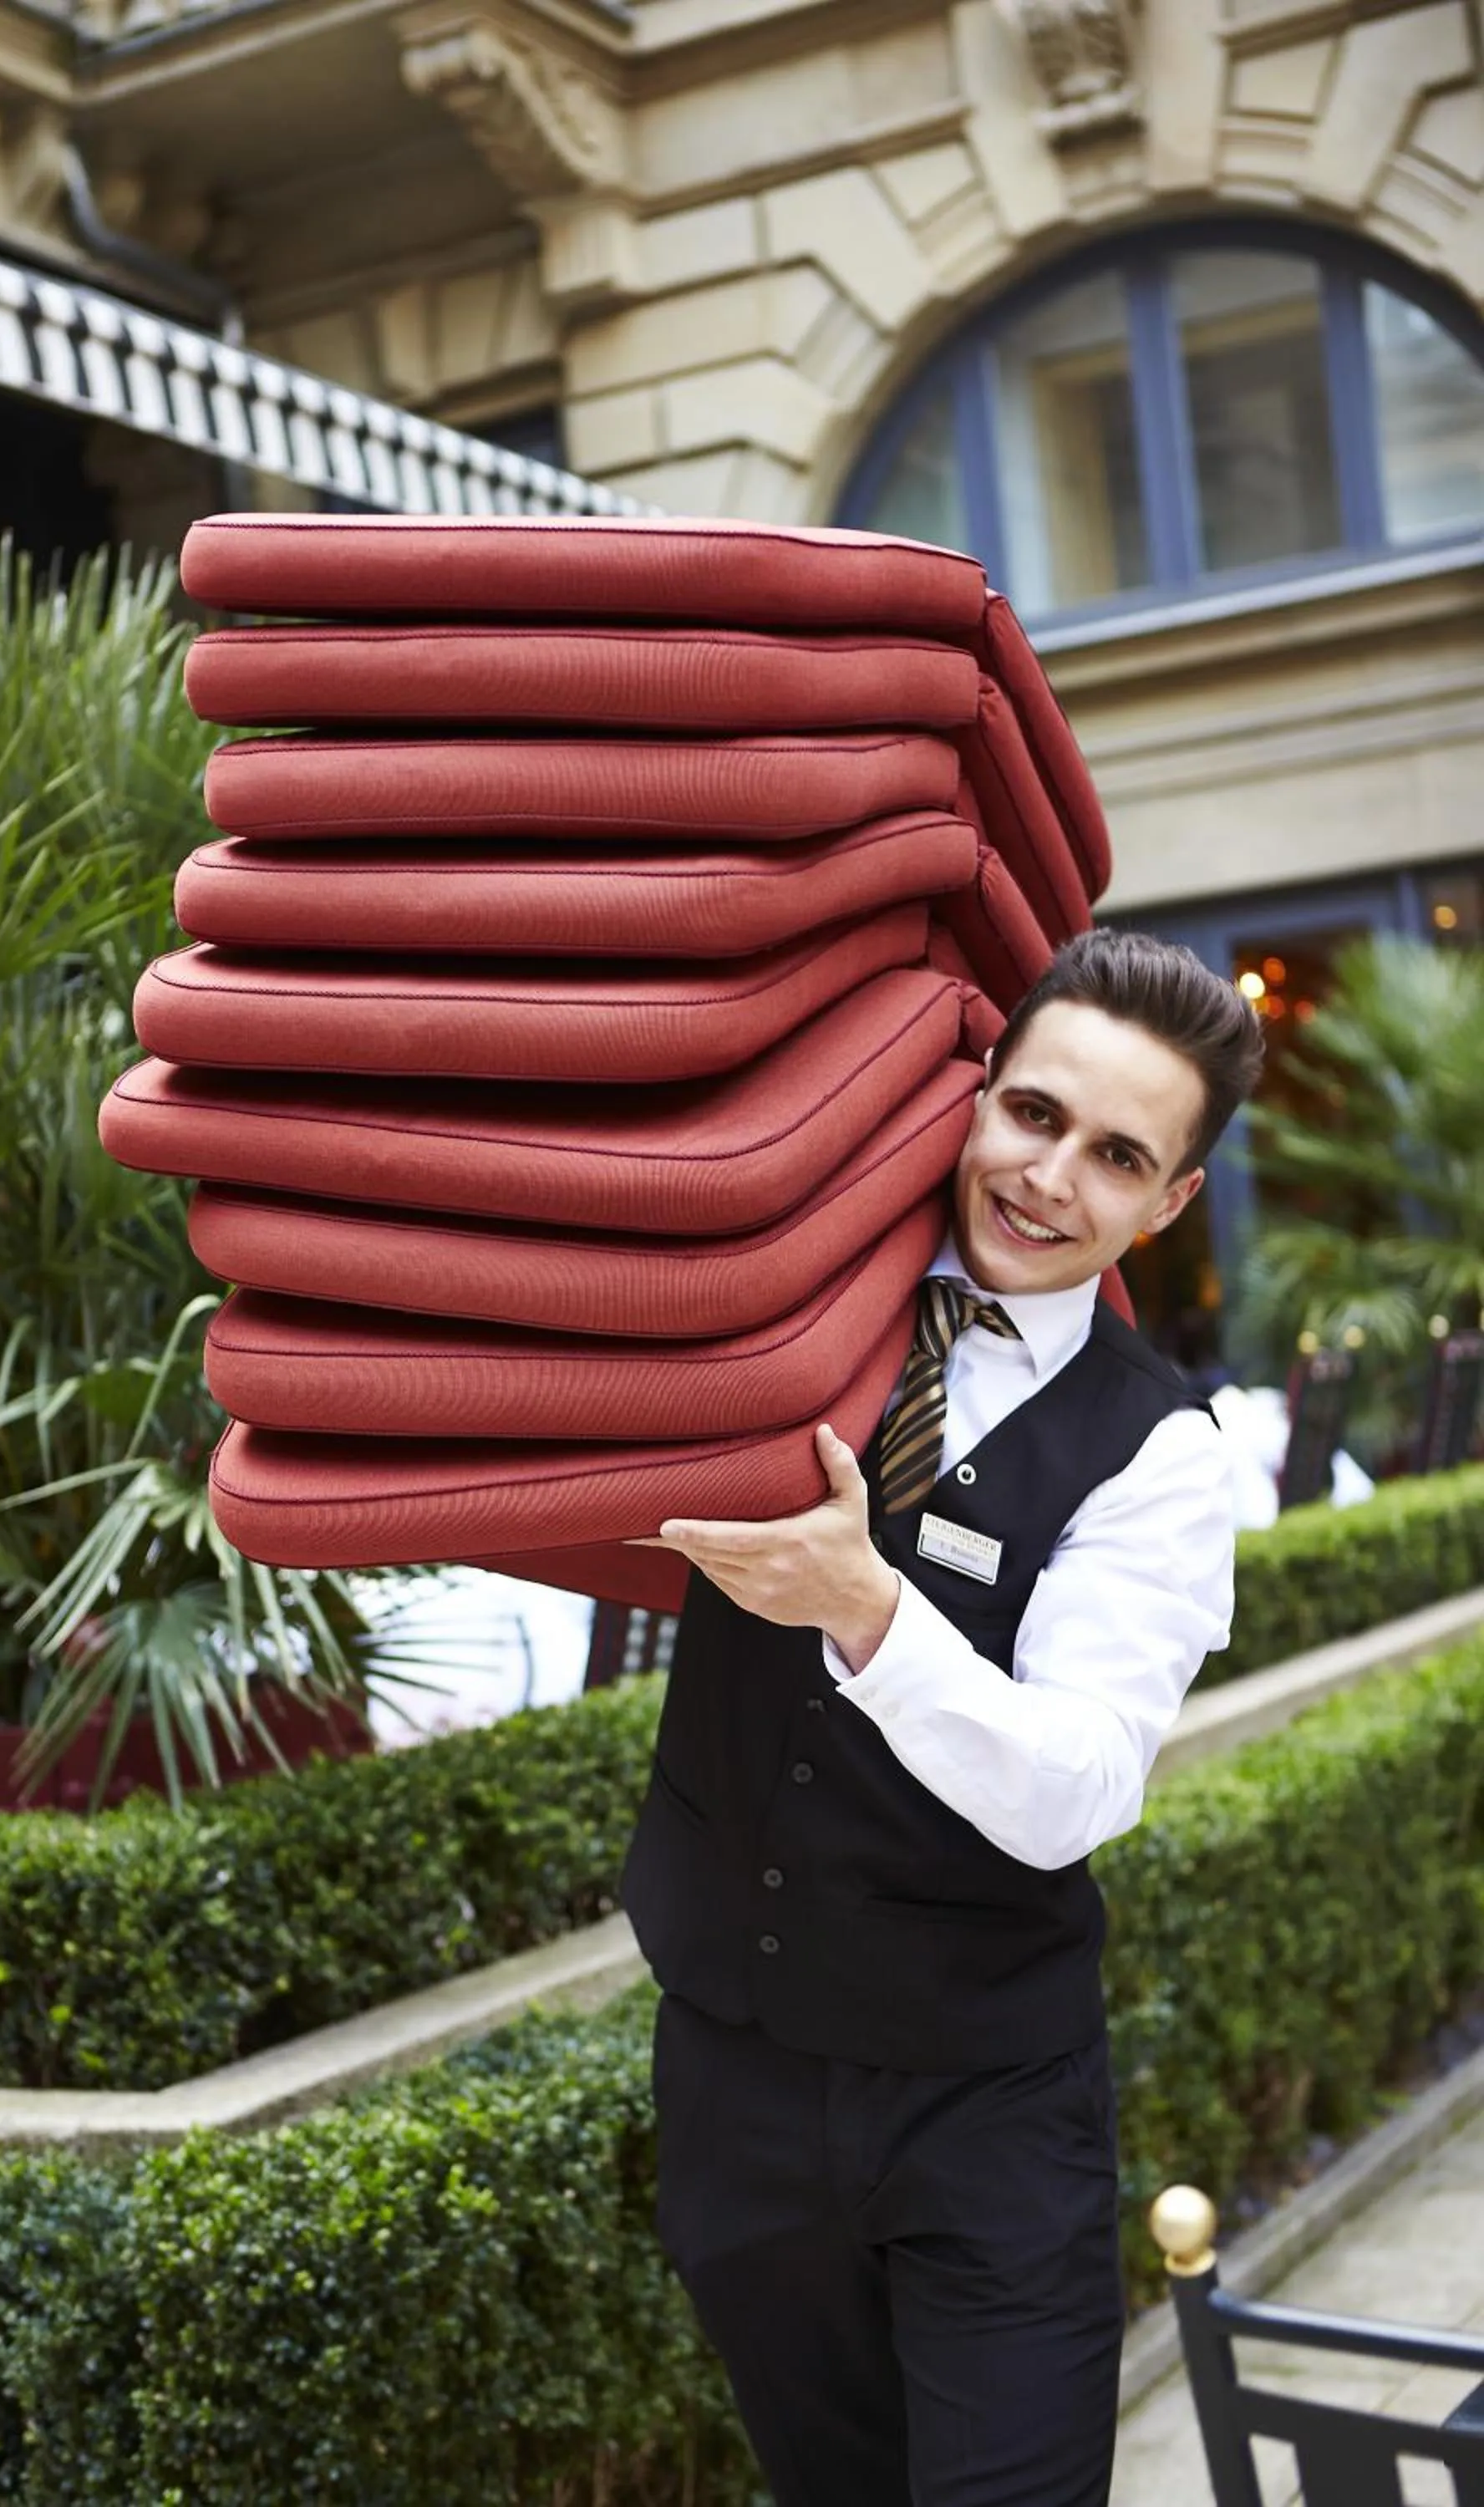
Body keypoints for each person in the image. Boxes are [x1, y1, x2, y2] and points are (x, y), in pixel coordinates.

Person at [620, 928, 1266, 2507]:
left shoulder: (1162, 1459)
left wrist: (867, 1606)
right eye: (1036, 1116)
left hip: (987, 2115)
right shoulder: (787, 1297)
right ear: (977, 1092)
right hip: (736, 2078)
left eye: (1118, 1157)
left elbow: (1073, 1789)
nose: (1051, 1178)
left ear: (1169, 1204)